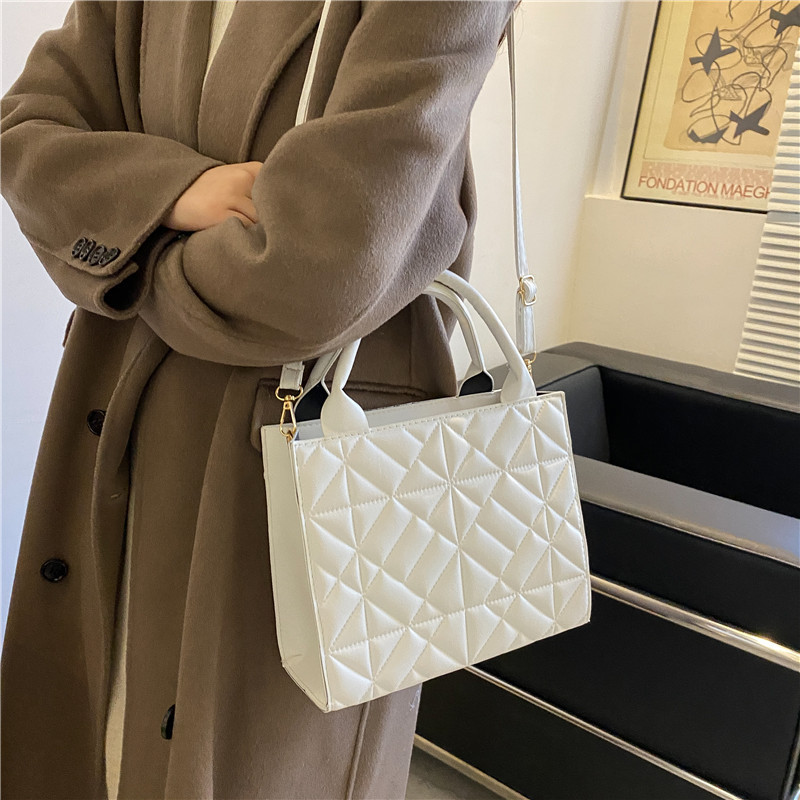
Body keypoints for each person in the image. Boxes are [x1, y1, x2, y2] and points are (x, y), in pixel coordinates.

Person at [0, 1, 520, 798]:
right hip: (118, 424)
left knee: (258, 759)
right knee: (90, 733)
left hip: (309, 456)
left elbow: (316, 266)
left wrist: (132, 256)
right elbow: (25, 133)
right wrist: (182, 192)